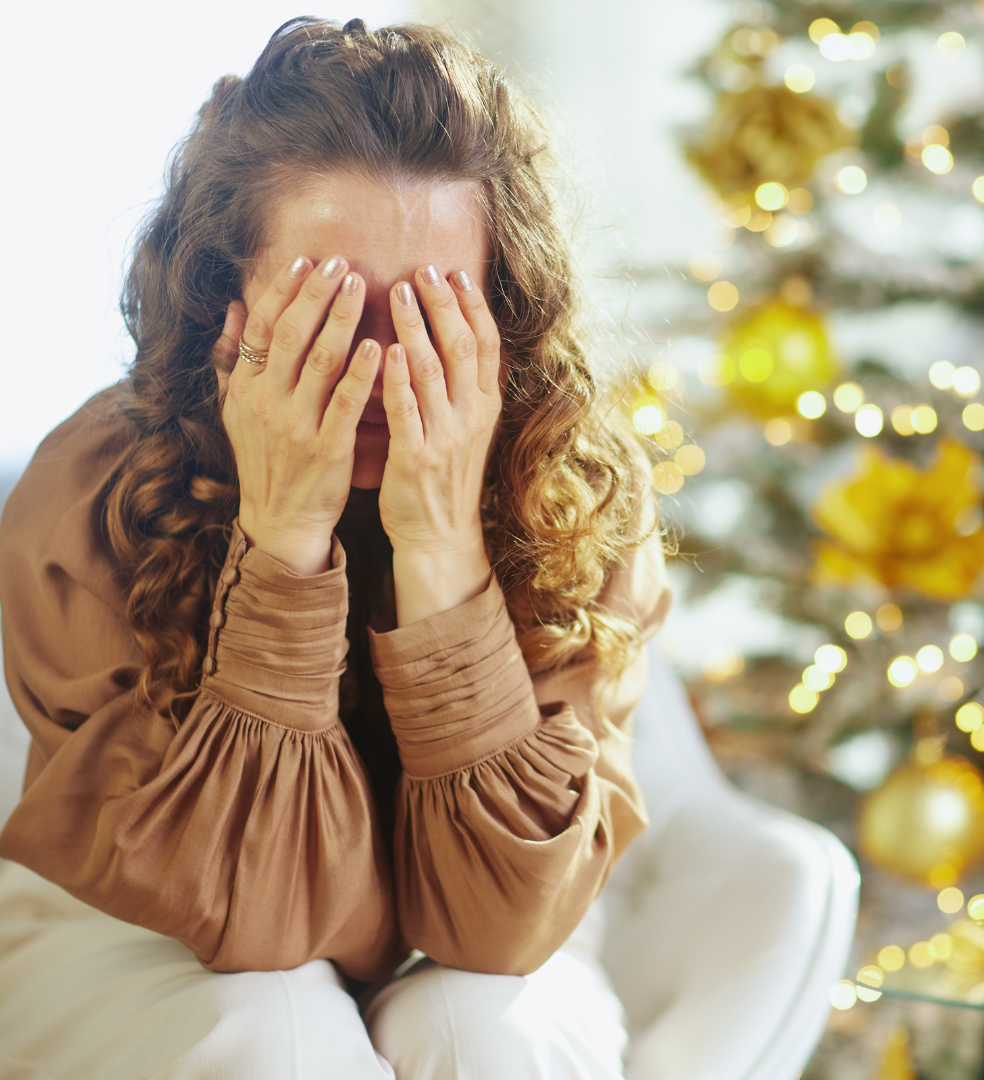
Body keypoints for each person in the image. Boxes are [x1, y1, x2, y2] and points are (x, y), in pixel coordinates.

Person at [0, 15, 672, 1079]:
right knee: (276, 1029)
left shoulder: (576, 487)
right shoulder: (95, 491)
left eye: (432, 320)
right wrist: (284, 540)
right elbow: (252, 913)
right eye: (326, 315)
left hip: (502, 938)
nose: (376, 375)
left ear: (502, 310)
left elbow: (497, 931)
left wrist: (440, 540)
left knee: (481, 1031)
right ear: (224, 303)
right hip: (138, 921)